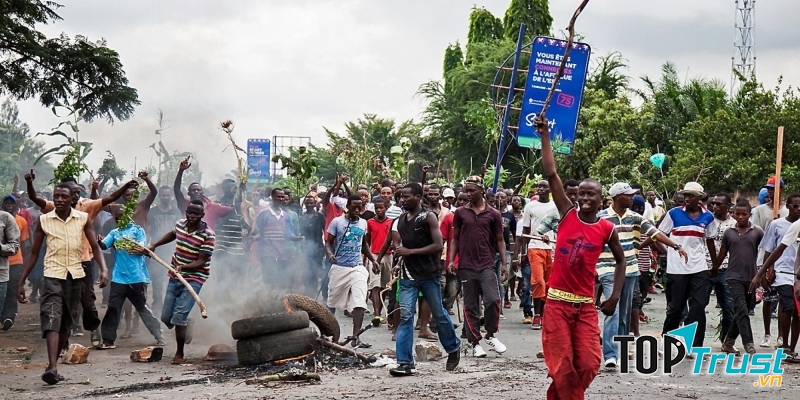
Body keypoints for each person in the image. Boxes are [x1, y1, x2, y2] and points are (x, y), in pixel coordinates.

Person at [534, 117, 626, 399]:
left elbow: (621, 261)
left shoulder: (607, 228)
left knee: (588, 363)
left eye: (591, 194)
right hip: (557, 304)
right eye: (581, 194)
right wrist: (545, 135)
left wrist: (614, 297)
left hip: (585, 306)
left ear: (602, 200)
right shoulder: (567, 214)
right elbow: (551, 173)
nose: (585, 198)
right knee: (561, 366)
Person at [26, 169, 134, 345]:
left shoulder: (86, 208)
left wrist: (125, 186)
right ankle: (65, 338)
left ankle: (93, 328)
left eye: (78, 192)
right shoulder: (55, 207)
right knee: (64, 304)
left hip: (83, 261)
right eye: (73, 192)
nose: (76, 195)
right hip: (59, 265)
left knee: (88, 302)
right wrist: (29, 183)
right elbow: (36, 200)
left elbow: (109, 199)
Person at [16, 183, 108, 385]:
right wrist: (21, 281)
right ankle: (51, 366)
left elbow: (95, 247)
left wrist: (103, 269)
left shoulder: (83, 219)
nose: (58, 199)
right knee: (51, 317)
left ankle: (53, 365)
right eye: (56, 196)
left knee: (67, 322)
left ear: (71, 199)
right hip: (52, 275)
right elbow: (33, 253)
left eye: (63, 196)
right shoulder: (44, 220)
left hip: (76, 276)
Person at [596, 182, 688, 368]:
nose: (632, 198)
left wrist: (675, 246)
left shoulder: (635, 218)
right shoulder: (601, 218)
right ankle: (610, 354)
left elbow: (655, 234)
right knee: (612, 310)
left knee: (624, 313)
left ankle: (619, 351)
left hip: (630, 270)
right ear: (616, 197)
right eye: (627, 195)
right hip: (607, 269)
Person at [389, 183, 460, 376]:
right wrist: (400, 256)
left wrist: (409, 252)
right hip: (408, 276)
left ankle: (453, 348)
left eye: (407, 196)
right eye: (402, 197)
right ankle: (404, 362)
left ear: (419, 196)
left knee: (439, 314)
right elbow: (400, 245)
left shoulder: (428, 217)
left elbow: (438, 245)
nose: (403, 200)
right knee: (405, 317)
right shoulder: (402, 219)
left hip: (429, 275)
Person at [149, 199, 215, 365]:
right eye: (190, 212)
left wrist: (183, 267)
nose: (192, 216)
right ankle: (186, 321)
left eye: (196, 214)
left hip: (195, 278)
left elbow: (201, 261)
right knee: (166, 317)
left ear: (202, 215)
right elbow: (173, 234)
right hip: (175, 275)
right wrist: (155, 244)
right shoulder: (180, 224)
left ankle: (179, 354)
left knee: (178, 317)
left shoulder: (208, 234)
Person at [449, 175, 507, 357]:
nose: (468, 194)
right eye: (466, 190)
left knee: (493, 300)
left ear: (482, 191)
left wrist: (504, 264)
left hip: (486, 264)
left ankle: (490, 334)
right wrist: (451, 260)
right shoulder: (460, 213)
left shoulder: (494, 214)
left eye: (472, 190)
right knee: (471, 305)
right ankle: (475, 343)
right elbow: (455, 239)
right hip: (466, 265)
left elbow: (500, 240)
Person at [96, 207, 165, 349]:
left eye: (123, 218)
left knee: (141, 308)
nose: (120, 221)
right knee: (113, 308)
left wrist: (127, 243)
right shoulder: (114, 233)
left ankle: (158, 335)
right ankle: (108, 340)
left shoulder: (138, 231)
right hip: (118, 278)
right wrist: (99, 241)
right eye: (117, 218)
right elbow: (104, 245)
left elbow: (140, 248)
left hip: (137, 277)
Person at [659, 182, 715, 348]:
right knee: (676, 307)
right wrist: (668, 252)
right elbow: (659, 235)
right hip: (677, 268)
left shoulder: (708, 216)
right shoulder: (674, 214)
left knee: (698, 306)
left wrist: (715, 264)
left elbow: (710, 241)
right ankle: (667, 338)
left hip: (699, 266)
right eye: (686, 195)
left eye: (691, 195)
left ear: (700, 198)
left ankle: (695, 345)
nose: (687, 198)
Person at [750, 193, 800, 359]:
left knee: (797, 312)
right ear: (789, 207)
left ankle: (791, 348)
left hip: (797, 273)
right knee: (788, 306)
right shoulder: (783, 225)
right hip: (783, 272)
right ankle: (784, 344)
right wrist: (762, 272)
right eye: (795, 206)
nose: (798, 209)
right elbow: (775, 249)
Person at [326, 194, 378, 348]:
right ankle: (331, 336)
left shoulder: (363, 223)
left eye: (359, 206)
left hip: (357, 267)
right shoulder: (337, 222)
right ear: (347, 206)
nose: (357, 209)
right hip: (340, 267)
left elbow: (364, 245)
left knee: (360, 302)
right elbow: (328, 243)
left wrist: (374, 260)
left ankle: (356, 337)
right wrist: (329, 254)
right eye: (354, 207)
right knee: (332, 302)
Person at [712, 200, 763, 355]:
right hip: (733, 276)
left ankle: (728, 343)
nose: (740, 217)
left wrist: (764, 273)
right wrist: (714, 269)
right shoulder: (729, 232)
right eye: (737, 214)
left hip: (751, 277)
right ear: (733, 213)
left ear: (749, 214)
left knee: (743, 310)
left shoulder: (757, 232)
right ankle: (749, 344)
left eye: (744, 214)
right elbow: (722, 254)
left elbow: (765, 252)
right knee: (741, 309)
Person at [750, 176, 788, 346]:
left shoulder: (789, 210)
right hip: (764, 257)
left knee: (783, 299)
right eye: (769, 188)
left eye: (774, 188)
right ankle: (767, 334)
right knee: (768, 297)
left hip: (786, 260)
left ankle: (781, 335)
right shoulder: (759, 210)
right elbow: (756, 234)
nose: (771, 191)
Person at [516, 180, 557, 330]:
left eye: (544, 186)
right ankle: (537, 314)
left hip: (551, 248)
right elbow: (525, 231)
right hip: (534, 247)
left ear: (550, 189)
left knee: (548, 283)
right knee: (538, 281)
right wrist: (523, 253)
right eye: (539, 186)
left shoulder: (555, 206)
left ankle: (545, 314)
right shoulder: (530, 206)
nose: (541, 189)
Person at [255, 188, 303, 290]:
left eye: (282, 197)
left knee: (280, 279)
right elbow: (257, 230)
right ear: (272, 197)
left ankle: (275, 301)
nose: (281, 199)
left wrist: (296, 238)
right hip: (266, 251)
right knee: (270, 278)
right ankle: (265, 300)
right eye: (278, 197)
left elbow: (288, 233)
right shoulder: (264, 214)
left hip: (281, 252)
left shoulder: (285, 216)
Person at [704, 193, 736, 346]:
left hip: (726, 270)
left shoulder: (735, 224)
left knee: (729, 308)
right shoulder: (705, 220)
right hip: (705, 267)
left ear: (728, 207)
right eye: (714, 203)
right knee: (698, 306)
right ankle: (695, 342)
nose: (715, 206)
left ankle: (727, 341)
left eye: (719, 204)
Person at [146, 186, 183, 315]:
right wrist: (148, 246)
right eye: (163, 195)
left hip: (172, 252)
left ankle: (169, 307)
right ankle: (157, 306)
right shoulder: (153, 212)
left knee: (170, 280)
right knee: (156, 281)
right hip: (156, 250)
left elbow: (179, 232)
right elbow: (149, 230)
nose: (166, 197)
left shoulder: (176, 212)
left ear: (171, 196)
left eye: (168, 195)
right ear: (159, 196)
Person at [173, 156, 233, 229]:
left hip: (207, 239)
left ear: (202, 192)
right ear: (189, 193)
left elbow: (232, 210)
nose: (196, 192)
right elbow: (176, 189)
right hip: (188, 238)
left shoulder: (213, 206)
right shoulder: (184, 204)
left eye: (198, 190)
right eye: (193, 190)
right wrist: (181, 171)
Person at [1, 195, 28, 330]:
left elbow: (22, 243)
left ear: (17, 206)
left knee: (12, 289)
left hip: (16, 261)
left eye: (12, 203)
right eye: (6, 203)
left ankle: (8, 316)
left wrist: (24, 262)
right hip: (2, 262)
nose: (9, 205)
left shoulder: (21, 221)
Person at [366, 199, 393, 319]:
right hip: (374, 256)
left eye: (381, 208)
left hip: (388, 255)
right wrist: (366, 257)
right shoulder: (370, 222)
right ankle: (376, 314)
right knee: (375, 284)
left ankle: (380, 311)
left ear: (386, 208)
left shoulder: (391, 222)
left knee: (386, 285)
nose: (378, 210)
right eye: (376, 208)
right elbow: (367, 241)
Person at [299, 196, 326, 297]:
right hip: (305, 248)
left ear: (315, 204)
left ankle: (313, 292)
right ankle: (307, 290)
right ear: (305, 205)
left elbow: (325, 231)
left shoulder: (320, 216)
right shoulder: (301, 218)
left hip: (318, 247)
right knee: (306, 270)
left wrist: (325, 247)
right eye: (307, 203)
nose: (309, 205)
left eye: (311, 203)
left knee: (316, 270)